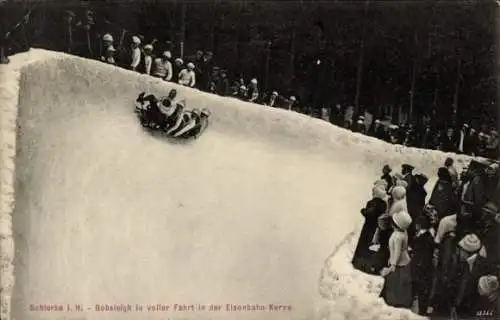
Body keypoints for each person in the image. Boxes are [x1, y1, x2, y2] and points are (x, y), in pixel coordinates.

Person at [380, 210, 413, 309]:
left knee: (396, 283)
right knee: (401, 283)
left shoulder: (397, 236)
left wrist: (393, 264)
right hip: (404, 260)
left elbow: (397, 252)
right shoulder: (404, 233)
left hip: (399, 263)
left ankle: (395, 301)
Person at [352, 185, 388, 273]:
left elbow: (369, 213)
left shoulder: (372, 202)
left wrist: (363, 210)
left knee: (363, 244)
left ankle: (358, 262)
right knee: (369, 245)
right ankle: (365, 263)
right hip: (376, 227)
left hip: (368, 226)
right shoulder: (384, 204)